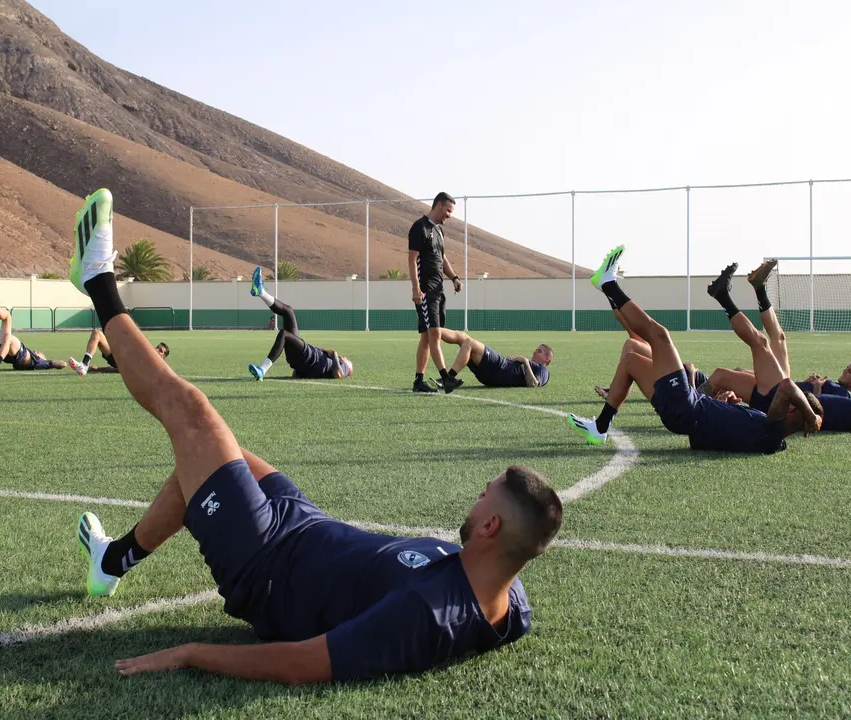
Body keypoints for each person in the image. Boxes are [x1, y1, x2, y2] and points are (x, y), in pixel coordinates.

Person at [68, 188, 563, 683]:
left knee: (195, 416)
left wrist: (191, 653)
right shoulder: (511, 601)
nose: (476, 496)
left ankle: (97, 280)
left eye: (485, 494)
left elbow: (305, 663)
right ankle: (111, 562)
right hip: (304, 523)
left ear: (491, 528)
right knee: (214, 460)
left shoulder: (425, 612)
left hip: (266, 562)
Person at [566, 247, 822, 453]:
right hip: (686, 413)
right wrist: (725, 406)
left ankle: (608, 284)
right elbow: (706, 440)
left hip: (687, 407)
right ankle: (600, 427)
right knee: (632, 359)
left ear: (792, 410)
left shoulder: (773, 433)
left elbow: (788, 386)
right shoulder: (771, 439)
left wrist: (811, 415)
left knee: (660, 336)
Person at [698, 260, 851, 432]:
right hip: (783, 390)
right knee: (776, 340)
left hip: (781, 402)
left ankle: (722, 296)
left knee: (759, 343)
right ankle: (758, 287)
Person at [247, 267, 353, 381]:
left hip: (305, 354)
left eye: (348, 360)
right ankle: (260, 291)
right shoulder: (328, 363)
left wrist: (335, 354)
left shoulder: (343, 366)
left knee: (284, 334)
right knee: (288, 311)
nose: (346, 357)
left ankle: (262, 370)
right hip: (302, 357)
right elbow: (299, 374)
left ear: (348, 366)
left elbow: (338, 374)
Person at [408, 192, 463, 393]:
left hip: (439, 291)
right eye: (448, 210)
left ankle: (419, 381)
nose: (449, 215)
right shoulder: (419, 227)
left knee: (426, 337)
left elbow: (443, 259)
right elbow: (412, 260)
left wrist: (454, 277)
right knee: (434, 334)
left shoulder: (439, 232)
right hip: (426, 291)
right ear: (439, 205)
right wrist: (416, 288)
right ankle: (446, 378)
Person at [435, 329, 553, 392]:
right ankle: (433, 330)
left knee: (469, 342)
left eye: (539, 351)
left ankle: (448, 378)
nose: (534, 352)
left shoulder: (543, 370)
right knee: (463, 337)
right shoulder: (535, 366)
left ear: (547, 359)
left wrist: (525, 361)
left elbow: (534, 385)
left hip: (500, 368)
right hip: (493, 372)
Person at [0, 289, 66, 372]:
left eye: (40, 353)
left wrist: (49, 362)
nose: (37, 351)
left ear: (42, 358)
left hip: (20, 355)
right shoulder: (32, 355)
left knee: (9, 337)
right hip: (9, 352)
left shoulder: (39, 361)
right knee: (7, 317)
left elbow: (63, 364)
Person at [68, 328, 169, 375]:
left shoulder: (151, 366)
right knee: (97, 332)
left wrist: (99, 369)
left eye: (160, 351)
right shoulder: (146, 352)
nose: (156, 349)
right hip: (116, 353)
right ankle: (85, 364)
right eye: (157, 347)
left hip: (119, 360)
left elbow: (123, 370)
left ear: (163, 357)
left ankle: (83, 367)